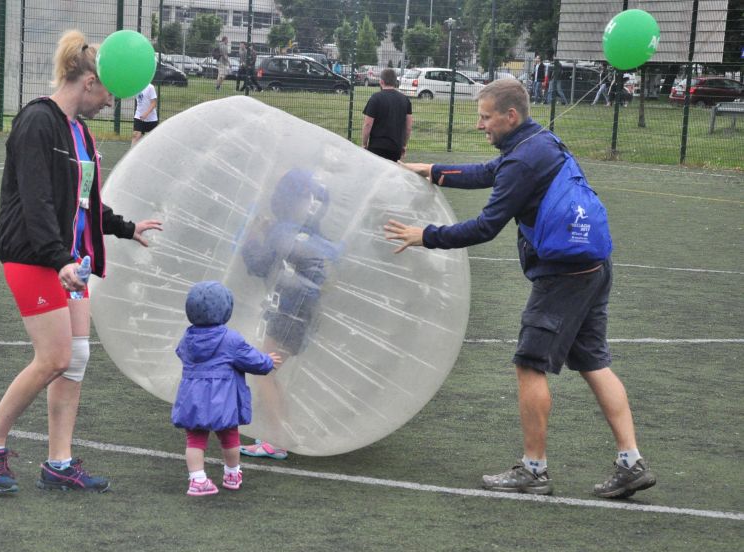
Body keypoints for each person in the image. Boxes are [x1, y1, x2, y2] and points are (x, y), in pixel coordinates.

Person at [384, 78, 656, 499]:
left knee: (529, 364)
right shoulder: (541, 142)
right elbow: (492, 172)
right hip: (594, 265)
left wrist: (427, 235)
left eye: (485, 117)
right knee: (593, 362)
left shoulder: (523, 160)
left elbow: (485, 226)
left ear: (510, 116)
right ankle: (630, 462)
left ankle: (533, 470)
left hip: (562, 275)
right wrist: (435, 171)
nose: (480, 126)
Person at [0, 29, 163, 494]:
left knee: (76, 358)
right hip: (36, 258)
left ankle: (59, 462)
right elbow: (35, 202)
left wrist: (125, 227)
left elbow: (85, 201)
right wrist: (58, 261)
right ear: (89, 81)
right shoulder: (38, 121)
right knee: (53, 356)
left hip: (72, 261)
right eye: (110, 93)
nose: (112, 104)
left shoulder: (81, 133)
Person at [239, 169, 341, 459]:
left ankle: (277, 439)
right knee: (267, 372)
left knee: (264, 372)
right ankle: (277, 435)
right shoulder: (312, 234)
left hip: (290, 314)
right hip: (303, 314)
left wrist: (252, 236)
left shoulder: (283, 231)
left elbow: (258, 265)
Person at [172, 281, 282, 496]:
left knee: (195, 439)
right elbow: (251, 360)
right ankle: (232, 474)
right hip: (224, 399)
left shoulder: (188, 337)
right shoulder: (230, 338)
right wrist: (267, 361)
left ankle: (197, 479)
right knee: (230, 437)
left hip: (193, 397)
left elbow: (180, 353)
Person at [362, 68, 413, 161]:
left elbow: (367, 124)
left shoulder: (375, 98)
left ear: (381, 82)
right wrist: (404, 145)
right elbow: (408, 127)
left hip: (376, 147)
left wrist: (364, 144)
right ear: (395, 82)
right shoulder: (405, 99)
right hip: (395, 148)